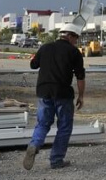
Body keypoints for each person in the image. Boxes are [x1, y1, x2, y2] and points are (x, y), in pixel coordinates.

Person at [22, 20, 86, 170]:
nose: (76, 41)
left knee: (43, 123)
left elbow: (33, 65)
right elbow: (80, 77)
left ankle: (34, 144)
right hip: (63, 93)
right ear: (70, 36)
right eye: (76, 38)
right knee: (64, 127)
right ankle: (56, 160)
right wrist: (81, 96)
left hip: (44, 92)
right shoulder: (74, 52)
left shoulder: (45, 47)